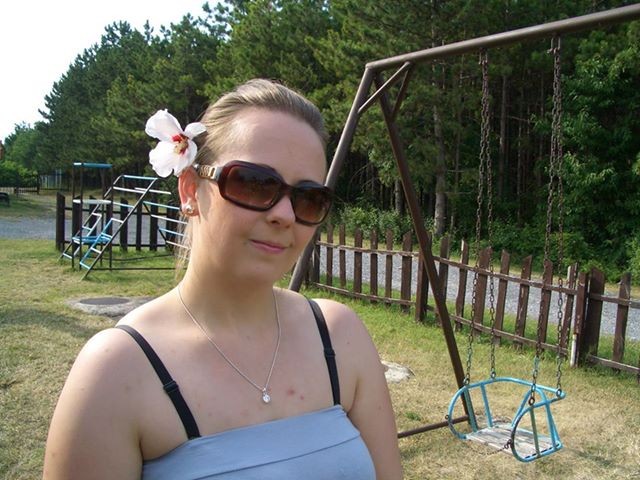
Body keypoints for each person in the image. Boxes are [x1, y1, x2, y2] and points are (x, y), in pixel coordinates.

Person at [43, 78, 403, 479]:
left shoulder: (339, 336)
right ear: (190, 190)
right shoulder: (118, 370)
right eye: (254, 183)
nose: (285, 214)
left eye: (308, 198)